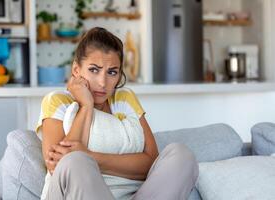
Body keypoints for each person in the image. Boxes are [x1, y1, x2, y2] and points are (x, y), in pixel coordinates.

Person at [36, 27, 199, 200]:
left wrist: (91, 157)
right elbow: (59, 166)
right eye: (94, 70)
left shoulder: (125, 99)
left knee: (181, 155)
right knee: (75, 162)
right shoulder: (57, 101)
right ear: (77, 70)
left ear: (119, 74)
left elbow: (151, 163)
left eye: (112, 72)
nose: (102, 82)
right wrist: (86, 106)